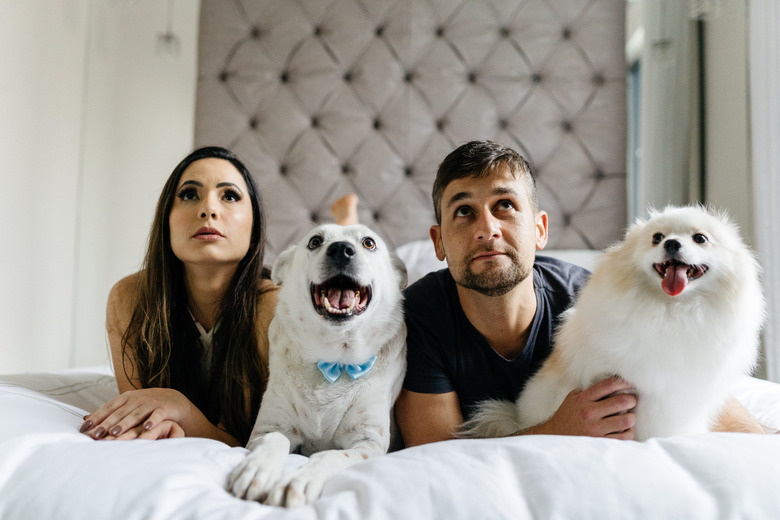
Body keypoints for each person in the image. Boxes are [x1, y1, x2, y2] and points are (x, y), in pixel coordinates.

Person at [394, 140, 763, 447]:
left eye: (504, 205)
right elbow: (436, 456)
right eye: (463, 211)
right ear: (438, 241)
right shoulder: (418, 317)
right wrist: (556, 430)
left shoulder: (593, 298)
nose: (486, 229)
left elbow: (685, 377)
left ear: (540, 230)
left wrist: (764, 439)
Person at [80, 146, 277, 447]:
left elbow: (244, 439)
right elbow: (140, 413)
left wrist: (179, 407)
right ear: (166, 219)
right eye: (189, 194)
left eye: (230, 196)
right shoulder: (129, 299)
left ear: (255, 226)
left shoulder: (275, 308)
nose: (208, 210)